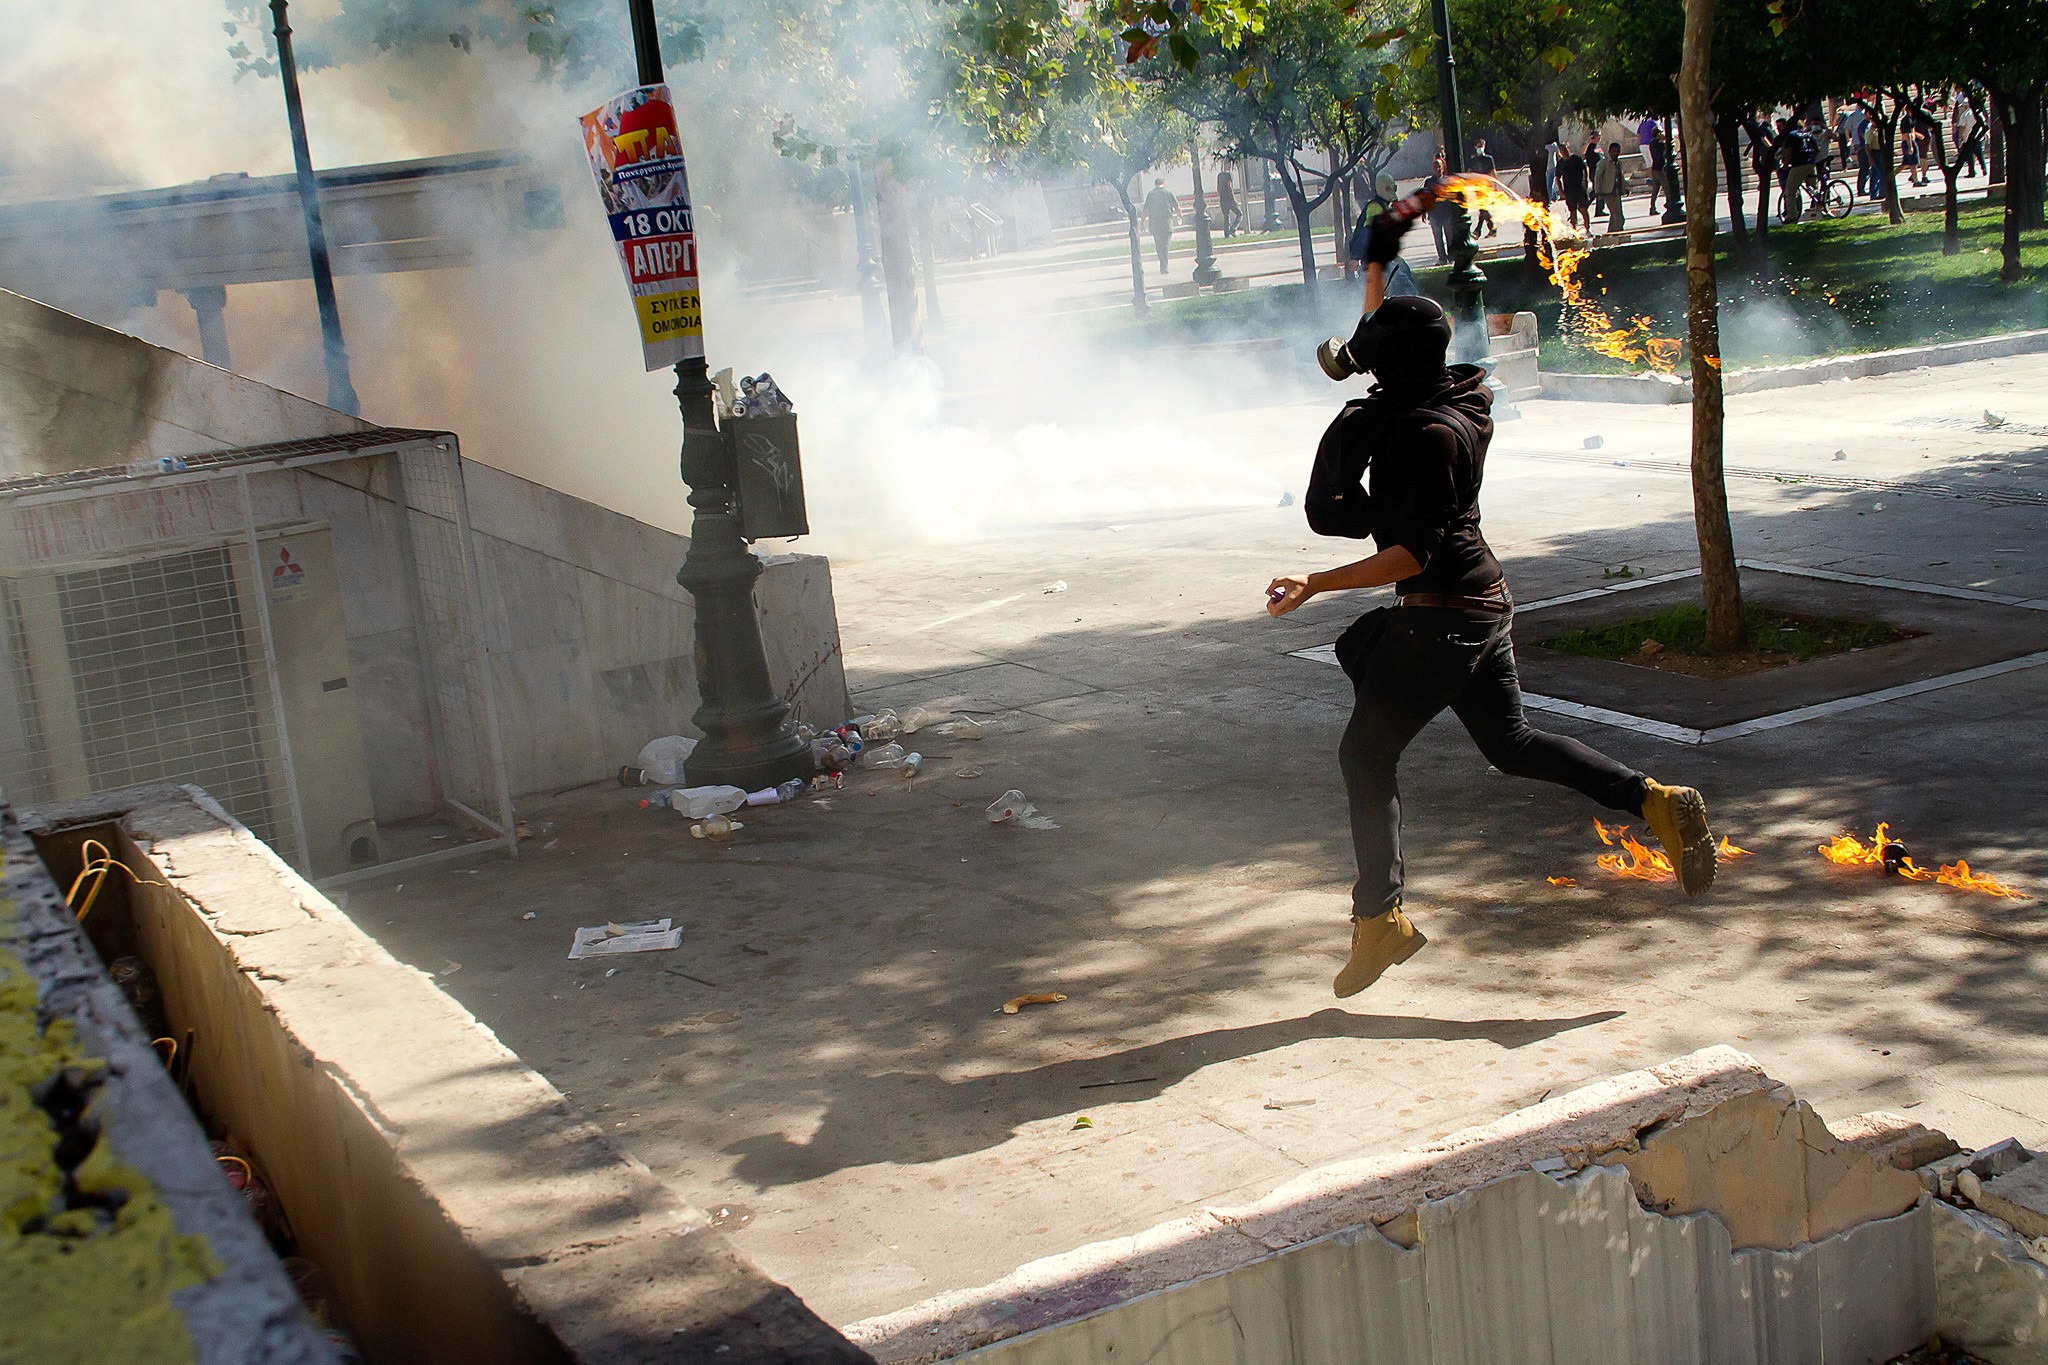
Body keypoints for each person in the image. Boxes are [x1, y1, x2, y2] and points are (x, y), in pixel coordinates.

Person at [1291, 213, 1719, 998]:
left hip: (1443, 612)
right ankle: (1653, 800)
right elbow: (1397, 354)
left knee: (1365, 752)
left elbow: (1408, 552)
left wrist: (1316, 583)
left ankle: (1378, 919)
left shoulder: (1419, 435)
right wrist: (1377, 269)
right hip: (1485, 604)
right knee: (1510, 742)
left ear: (1395, 372)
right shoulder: (1465, 398)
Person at [1143, 177, 1179, 273]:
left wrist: (1142, 222)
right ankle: (1164, 266)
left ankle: (1163, 265)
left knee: (1159, 246)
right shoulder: (1168, 192)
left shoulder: (1150, 194)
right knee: (1165, 245)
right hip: (1167, 224)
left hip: (1155, 225)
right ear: (1163, 183)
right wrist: (1180, 217)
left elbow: (1145, 210)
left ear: (1155, 184)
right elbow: (1176, 206)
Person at [1468, 138, 1498, 237]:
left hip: (1486, 186)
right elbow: (1470, 172)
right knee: (1482, 209)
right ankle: (1491, 229)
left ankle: (1478, 230)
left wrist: (1495, 186)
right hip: (1477, 187)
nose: (1480, 148)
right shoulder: (1473, 159)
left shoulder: (1488, 159)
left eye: (1481, 146)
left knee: (1482, 208)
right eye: (1478, 146)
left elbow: (1493, 172)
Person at [1557, 144, 1589, 232]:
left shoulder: (1576, 159)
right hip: (1569, 190)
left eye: (1565, 150)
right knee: (1572, 210)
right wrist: (1560, 190)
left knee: (1583, 208)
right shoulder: (1561, 163)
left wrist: (1585, 181)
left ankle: (1587, 227)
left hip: (1579, 187)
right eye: (1562, 151)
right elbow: (1558, 177)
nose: (1564, 152)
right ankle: (1574, 229)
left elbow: (1584, 169)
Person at [1595, 140, 1625, 231]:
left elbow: (1621, 177)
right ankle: (1618, 233)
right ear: (1609, 152)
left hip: (1617, 192)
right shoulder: (1603, 163)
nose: (1616, 153)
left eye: (1617, 151)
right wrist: (1598, 192)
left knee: (1615, 215)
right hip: (1608, 192)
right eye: (1614, 151)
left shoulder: (1618, 163)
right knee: (1618, 217)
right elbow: (1598, 177)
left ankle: (1611, 233)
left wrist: (1625, 188)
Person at [1645, 126, 1668, 215]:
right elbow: (1666, 152)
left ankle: (1652, 207)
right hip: (1661, 169)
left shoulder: (1652, 143)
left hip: (1654, 168)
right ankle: (1668, 205)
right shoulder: (1661, 144)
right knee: (1666, 188)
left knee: (1655, 189)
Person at [1216, 169, 1242, 237]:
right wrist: (1233, 198)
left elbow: (1218, 188)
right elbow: (1229, 186)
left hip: (1222, 199)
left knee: (1226, 216)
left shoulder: (1219, 175)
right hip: (1229, 199)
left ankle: (1226, 234)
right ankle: (1233, 229)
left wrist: (1221, 196)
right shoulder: (1228, 174)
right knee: (1240, 214)